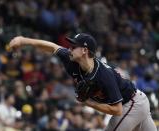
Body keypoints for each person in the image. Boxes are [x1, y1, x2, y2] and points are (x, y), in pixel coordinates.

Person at [9, 33, 157, 131]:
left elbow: (117, 110)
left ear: (85, 51)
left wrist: (90, 104)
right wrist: (23, 41)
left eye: (74, 46)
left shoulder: (103, 75)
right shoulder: (70, 58)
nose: (69, 48)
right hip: (135, 103)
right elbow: (52, 46)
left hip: (131, 104)